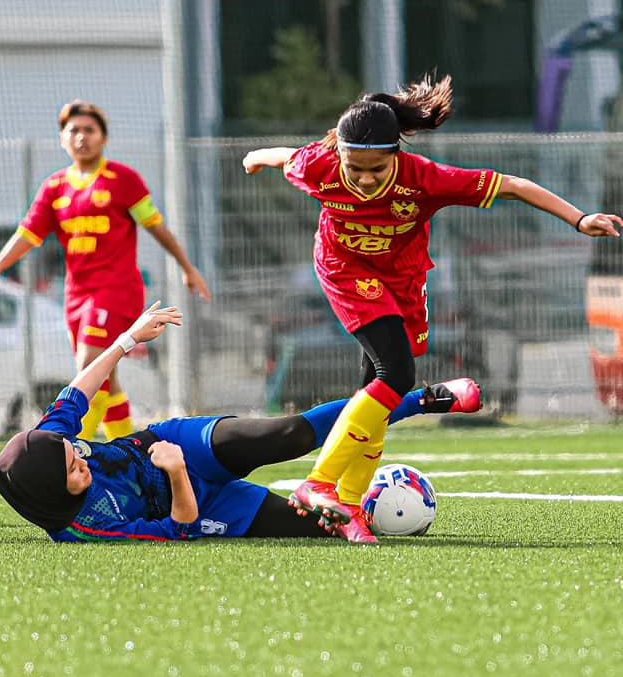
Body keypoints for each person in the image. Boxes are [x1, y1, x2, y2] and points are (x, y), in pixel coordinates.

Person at [242, 74, 623, 543]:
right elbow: (286, 157)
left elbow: (514, 185)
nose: (362, 179)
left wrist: (579, 218)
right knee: (395, 376)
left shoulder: (424, 178)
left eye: (375, 170)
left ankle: (349, 501)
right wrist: (255, 157)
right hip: (344, 270)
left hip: (401, 280)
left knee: (375, 391)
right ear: (337, 153)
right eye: (353, 167)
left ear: (395, 157)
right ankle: (317, 484)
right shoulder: (318, 165)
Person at [0, 300, 482, 542]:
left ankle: (421, 400)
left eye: (74, 451)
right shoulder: (85, 528)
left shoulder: (51, 440)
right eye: (74, 470)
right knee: (314, 529)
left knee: (287, 434)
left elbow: (81, 387)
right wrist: (177, 473)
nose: (82, 457)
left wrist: (128, 338)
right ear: (51, 497)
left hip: (171, 441)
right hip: (195, 500)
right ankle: (370, 506)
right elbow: (179, 533)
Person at [0, 99, 211, 442]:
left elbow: (156, 226)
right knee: (107, 376)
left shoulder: (123, 179)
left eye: (90, 130)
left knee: (89, 363)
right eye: (74, 130)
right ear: (62, 139)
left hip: (116, 290)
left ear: (104, 138)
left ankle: (73, 444)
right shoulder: (54, 187)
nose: (81, 137)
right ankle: (128, 449)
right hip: (77, 294)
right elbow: (28, 234)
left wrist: (187, 267)